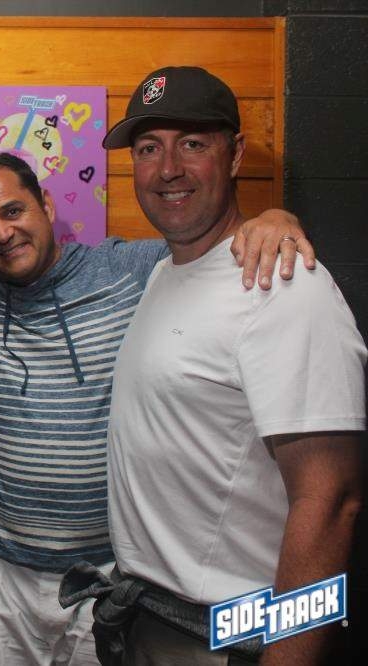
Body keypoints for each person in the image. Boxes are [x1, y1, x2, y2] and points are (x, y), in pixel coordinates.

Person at [0, 142, 313, 662]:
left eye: (13, 211)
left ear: (45, 205)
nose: (2, 233)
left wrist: (277, 218)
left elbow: (213, 245)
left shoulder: (131, 268)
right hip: (7, 574)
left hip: (109, 572)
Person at [99, 66, 365, 664]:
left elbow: (333, 500)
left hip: (231, 636)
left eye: (192, 144)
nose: (168, 168)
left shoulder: (285, 286)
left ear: (236, 154)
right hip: (152, 617)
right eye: (148, 148)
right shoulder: (163, 272)